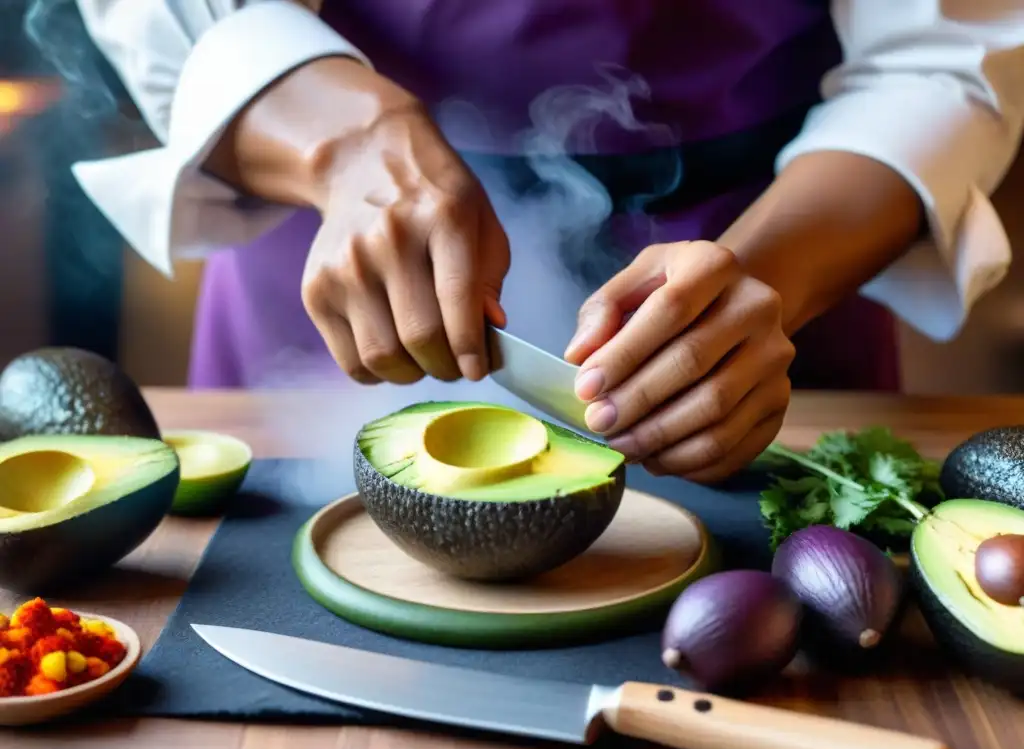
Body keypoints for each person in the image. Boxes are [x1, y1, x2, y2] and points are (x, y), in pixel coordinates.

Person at [65, 0, 1023, 483]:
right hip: (333, 244)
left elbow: (945, 54)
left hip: (777, 262)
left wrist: (761, 279)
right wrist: (349, 145)